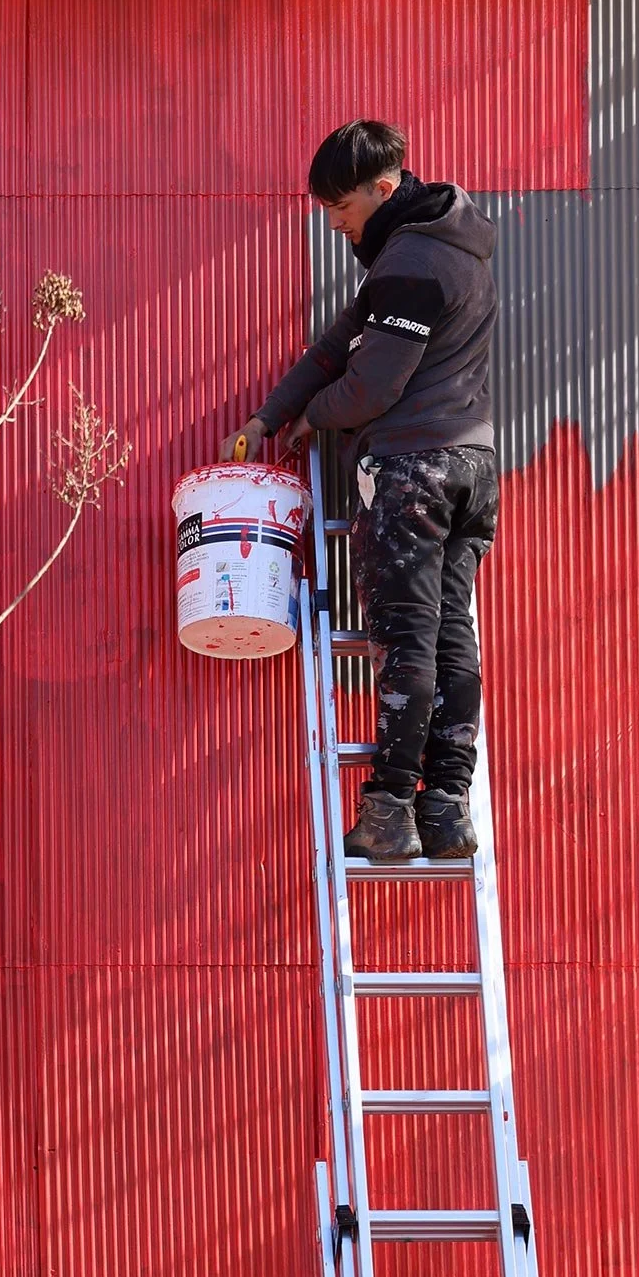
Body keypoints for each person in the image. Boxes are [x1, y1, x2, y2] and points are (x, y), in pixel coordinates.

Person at [228, 120, 498, 862]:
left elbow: (373, 383)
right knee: (449, 635)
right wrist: (269, 412)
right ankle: (446, 808)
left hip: (414, 468)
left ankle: (387, 808)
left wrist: (313, 419)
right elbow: (338, 343)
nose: (335, 223)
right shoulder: (448, 247)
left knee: (406, 639)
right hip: (473, 467)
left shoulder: (409, 262)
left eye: (341, 209)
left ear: (384, 190)